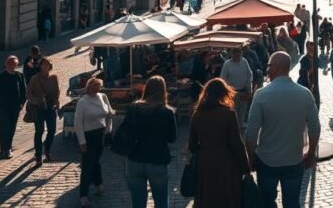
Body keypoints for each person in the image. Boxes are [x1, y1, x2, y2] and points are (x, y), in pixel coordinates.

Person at [246, 52, 320, 208]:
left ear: (276, 67)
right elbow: (315, 128)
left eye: (269, 66)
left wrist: (251, 157)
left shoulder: (261, 95)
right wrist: (311, 153)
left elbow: (251, 133)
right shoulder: (305, 94)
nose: (267, 70)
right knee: (292, 202)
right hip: (294, 159)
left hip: (267, 160)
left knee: (266, 201)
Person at [188, 77, 250, 208]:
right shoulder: (228, 114)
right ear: (224, 93)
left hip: (205, 166)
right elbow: (237, 144)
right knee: (226, 200)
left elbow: (192, 146)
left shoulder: (197, 115)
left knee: (208, 200)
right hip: (227, 165)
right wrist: (246, 166)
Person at [125, 76, 177, 208]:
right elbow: (172, 138)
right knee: (161, 202)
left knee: (137, 203)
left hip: (134, 160)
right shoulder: (166, 112)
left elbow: (127, 131)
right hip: (156, 161)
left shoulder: (134, 108)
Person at [74, 77, 113, 206]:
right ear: (88, 87)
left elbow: (109, 113)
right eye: (93, 86)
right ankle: (83, 194)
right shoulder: (82, 102)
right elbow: (78, 123)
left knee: (96, 161)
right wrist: (82, 142)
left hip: (100, 134)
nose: (96, 88)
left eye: (98, 86)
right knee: (87, 165)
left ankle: (98, 184)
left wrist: (108, 128)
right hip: (88, 135)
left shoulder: (103, 97)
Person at [0, 55, 27, 159]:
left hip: (15, 107)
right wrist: (1, 98)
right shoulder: (0, 76)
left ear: (16, 65)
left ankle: (8, 148)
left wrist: (21, 104)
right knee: (3, 127)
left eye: (13, 64)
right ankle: (3, 149)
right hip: (2, 106)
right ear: (6, 65)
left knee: (11, 127)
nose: (11, 66)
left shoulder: (19, 76)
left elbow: (24, 91)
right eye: (9, 64)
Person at [26, 57, 60, 168]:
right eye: (43, 65)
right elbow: (29, 94)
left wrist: (56, 102)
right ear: (40, 66)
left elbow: (56, 92)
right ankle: (38, 156)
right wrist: (37, 100)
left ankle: (47, 150)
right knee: (39, 131)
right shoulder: (35, 79)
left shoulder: (54, 78)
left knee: (52, 130)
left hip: (50, 107)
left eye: (47, 65)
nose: (45, 67)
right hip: (38, 107)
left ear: (50, 66)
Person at [221, 46, 254, 130]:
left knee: (242, 110)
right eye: (235, 54)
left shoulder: (244, 61)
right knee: (232, 111)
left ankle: (241, 125)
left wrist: (249, 90)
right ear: (232, 54)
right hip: (232, 92)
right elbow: (223, 78)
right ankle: (233, 127)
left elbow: (249, 75)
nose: (237, 56)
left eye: (239, 54)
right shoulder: (227, 64)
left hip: (243, 90)